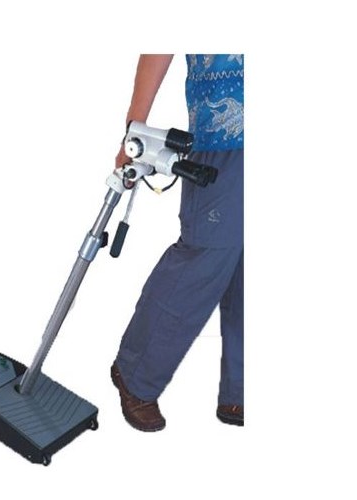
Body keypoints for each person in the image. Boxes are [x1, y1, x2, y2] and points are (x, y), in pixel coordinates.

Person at [111, 54, 244, 430]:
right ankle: (135, 372)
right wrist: (134, 128)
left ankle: (240, 389)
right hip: (224, 138)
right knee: (205, 257)